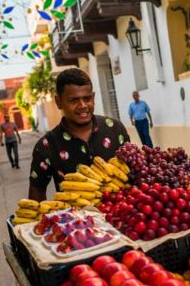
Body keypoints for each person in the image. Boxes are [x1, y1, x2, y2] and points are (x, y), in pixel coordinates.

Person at [28, 68, 130, 201]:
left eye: (87, 98)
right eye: (73, 100)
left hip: (122, 215)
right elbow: (37, 189)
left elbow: (132, 171)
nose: (82, 105)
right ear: (59, 102)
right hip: (76, 220)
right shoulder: (46, 146)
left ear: (93, 98)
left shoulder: (115, 129)